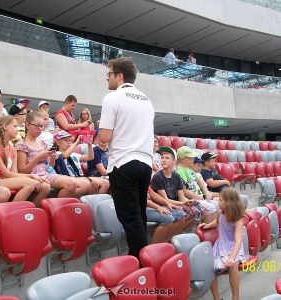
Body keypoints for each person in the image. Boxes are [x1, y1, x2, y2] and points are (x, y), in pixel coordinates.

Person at [98, 57, 154, 259]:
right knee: (139, 215)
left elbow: (104, 138)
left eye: (109, 74)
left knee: (130, 218)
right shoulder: (146, 100)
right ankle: (142, 259)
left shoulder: (112, 98)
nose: (107, 79)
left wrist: (98, 134)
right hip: (145, 164)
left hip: (124, 163)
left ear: (119, 76)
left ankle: (141, 267)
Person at [0, 115, 50, 207]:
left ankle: (30, 210)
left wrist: (31, 176)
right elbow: (5, 173)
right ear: (5, 127)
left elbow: (14, 172)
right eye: (14, 126)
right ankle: (11, 211)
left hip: (7, 179)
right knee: (29, 183)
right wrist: (30, 177)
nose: (17, 129)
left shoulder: (12, 148)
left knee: (45, 186)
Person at [16, 111, 84, 199]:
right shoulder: (22, 144)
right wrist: (38, 157)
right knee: (64, 184)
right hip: (32, 177)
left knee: (72, 183)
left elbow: (48, 166)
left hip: (46, 174)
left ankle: (55, 208)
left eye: (42, 126)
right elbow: (22, 170)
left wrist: (52, 159)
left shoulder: (42, 143)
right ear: (27, 125)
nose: (40, 129)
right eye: (37, 126)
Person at [198, 188, 246, 300]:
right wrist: (208, 225)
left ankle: (235, 297)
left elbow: (238, 240)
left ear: (228, 203)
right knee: (210, 267)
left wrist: (232, 258)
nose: (217, 201)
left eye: (220, 200)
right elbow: (217, 222)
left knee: (233, 267)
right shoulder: (220, 213)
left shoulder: (238, 219)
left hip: (234, 247)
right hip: (220, 246)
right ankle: (217, 298)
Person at [151, 146, 200, 233]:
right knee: (181, 214)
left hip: (174, 203)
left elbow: (182, 197)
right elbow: (165, 200)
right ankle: (173, 235)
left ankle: (179, 233)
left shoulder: (176, 176)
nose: (163, 160)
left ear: (174, 161)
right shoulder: (157, 176)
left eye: (167, 158)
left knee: (197, 209)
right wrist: (183, 203)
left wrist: (189, 202)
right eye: (162, 158)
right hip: (162, 205)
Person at [54, 130, 109, 194]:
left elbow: (90, 157)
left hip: (79, 176)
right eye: (66, 140)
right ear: (58, 143)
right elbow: (65, 155)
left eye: (69, 140)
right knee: (94, 184)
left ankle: (95, 201)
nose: (69, 142)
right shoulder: (57, 154)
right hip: (68, 178)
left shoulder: (74, 154)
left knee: (105, 182)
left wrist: (89, 145)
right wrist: (76, 143)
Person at [175, 146, 218, 223]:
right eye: (191, 157)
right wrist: (199, 197)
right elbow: (184, 191)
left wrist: (207, 193)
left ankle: (211, 229)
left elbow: (200, 181)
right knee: (211, 207)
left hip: (198, 197)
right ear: (183, 159)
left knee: (217, 204)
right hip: (191, 199)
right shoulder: (180, 171)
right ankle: (205, 229)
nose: (193, 159)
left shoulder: (188, 169)